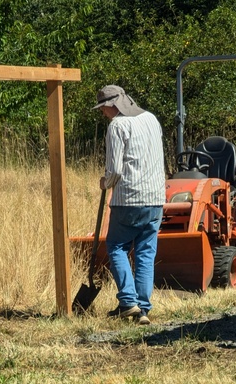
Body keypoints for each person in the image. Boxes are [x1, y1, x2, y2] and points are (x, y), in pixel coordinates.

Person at [93, 84, 166, 325]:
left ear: (112, 105)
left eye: (103, 108)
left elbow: (114, 170)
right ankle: (142, 309)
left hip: (129, 199)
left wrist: (105, 183)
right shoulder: (151, 119)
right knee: (146, 251)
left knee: (116, 246)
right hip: (155, 198)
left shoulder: (118, 126)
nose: (103, 113)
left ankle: (127, 301)